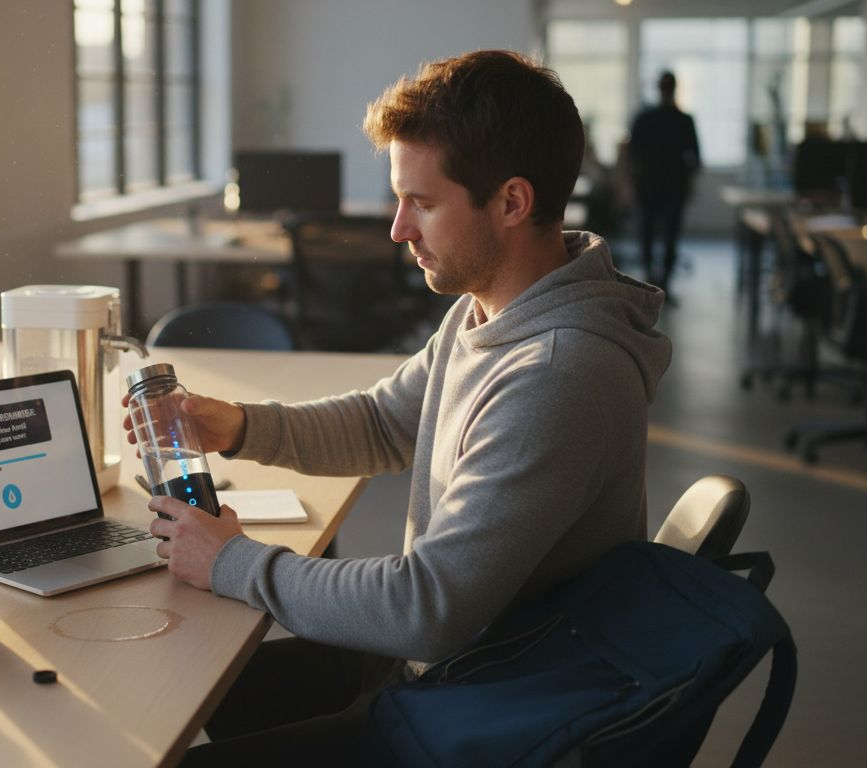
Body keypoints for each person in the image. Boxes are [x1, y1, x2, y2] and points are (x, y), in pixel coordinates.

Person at [127, 50, 671, 766]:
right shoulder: (488, 312)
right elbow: (386, 422)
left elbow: (427, 609)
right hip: (455, 668)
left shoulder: (558, 373)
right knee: (173, 691)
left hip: (486, 707)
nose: (397, 229)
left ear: (512, 202)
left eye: (423, 202)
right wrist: (240, 425)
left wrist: (231, 561)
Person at [628, 71, 701, 304]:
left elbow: (631, 155)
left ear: (658, 89)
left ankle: (649, 285)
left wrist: (632, 184)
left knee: (647, 236)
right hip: (674, 189)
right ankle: (664, 288)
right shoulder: (684, 120)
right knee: (670, 238)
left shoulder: (643, 118)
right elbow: (696, 159)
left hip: (647, 188)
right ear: (674, 88)